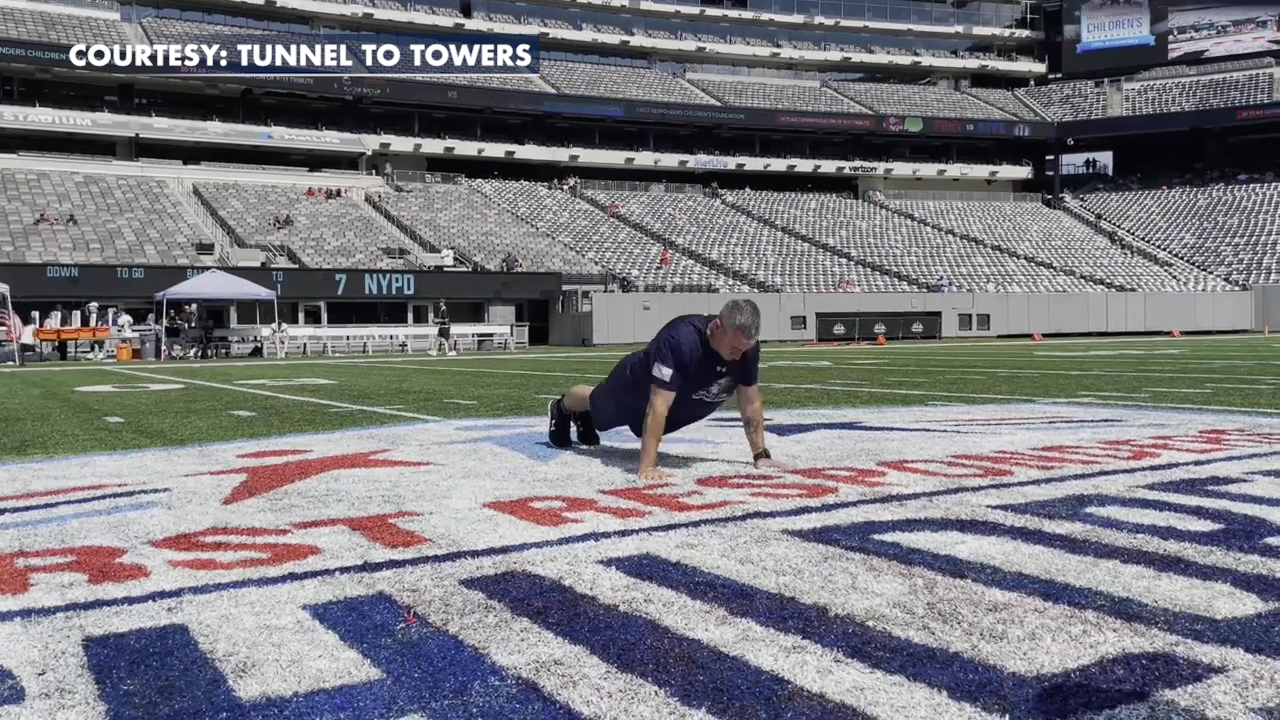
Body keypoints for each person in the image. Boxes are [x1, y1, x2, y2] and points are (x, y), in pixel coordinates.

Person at [547, 299, 790, 481]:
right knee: (597, 403)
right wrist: (648, 466)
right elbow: (658, 404)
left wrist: (761, 454)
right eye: (734, 348)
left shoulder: (746, 350)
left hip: (683, 399)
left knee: (611, 418)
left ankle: (584, 416)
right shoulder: (680, 341)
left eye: (745, 350)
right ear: (716, 327)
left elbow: (750, 402)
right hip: (636, 388)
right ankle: (563, 407)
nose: (739, 356)